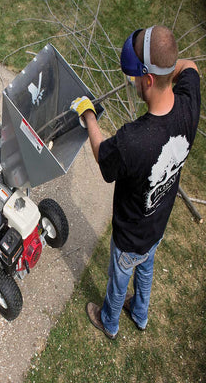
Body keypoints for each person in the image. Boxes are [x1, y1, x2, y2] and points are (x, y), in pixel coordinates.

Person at [70, 25, 200, 339]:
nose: (133, 84)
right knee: (147, 266)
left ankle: (109, 321)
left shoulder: (133, 141)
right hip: (157, 223)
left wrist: (89, 117)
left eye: (135, 78)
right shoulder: (189, 102)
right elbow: (191, 66)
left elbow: (104, 158)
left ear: (148, 79)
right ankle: (140, 313)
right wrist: (168, 64)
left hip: (129, 236)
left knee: (119, 280)